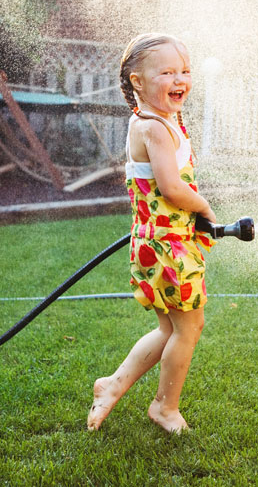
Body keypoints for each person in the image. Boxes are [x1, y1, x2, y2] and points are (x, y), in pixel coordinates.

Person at [87, 33, 217, 434]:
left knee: (170, 328)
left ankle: (112, 385)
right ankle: (165, 407)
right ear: (137, 81)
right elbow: (171, 187)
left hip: (156, 242)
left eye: (185, 71)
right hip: (167, 246)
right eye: (167, 72)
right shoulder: (155, 129)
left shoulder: (158, 120)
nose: (180, 79)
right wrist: (205, 207)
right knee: (188, 328)